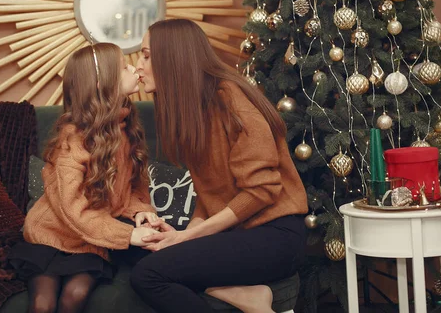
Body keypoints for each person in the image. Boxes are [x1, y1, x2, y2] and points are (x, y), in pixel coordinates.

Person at [131, 19, 309, 313]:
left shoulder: (229, 98)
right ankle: (247, 297)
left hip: (276, 237)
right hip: (239, 235)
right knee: (145, 253)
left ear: (172, 58)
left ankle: (245, 295)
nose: (138, 65)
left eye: (146, 56)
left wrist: (186, 237)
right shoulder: (192, 109)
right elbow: (209, 195)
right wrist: (180, 237)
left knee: (148, 275)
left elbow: (261, 190)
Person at [9, 43, 162, 313]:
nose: (133, 68)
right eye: (123, 66)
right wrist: (129, 235)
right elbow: (72, 210)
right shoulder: (72, 139)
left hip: (90, 239)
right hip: (52, 235)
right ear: (104, 83)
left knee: (75, 295)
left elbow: (133, 187)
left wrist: (140, 211)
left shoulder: (126, 128)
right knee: (42, 304)